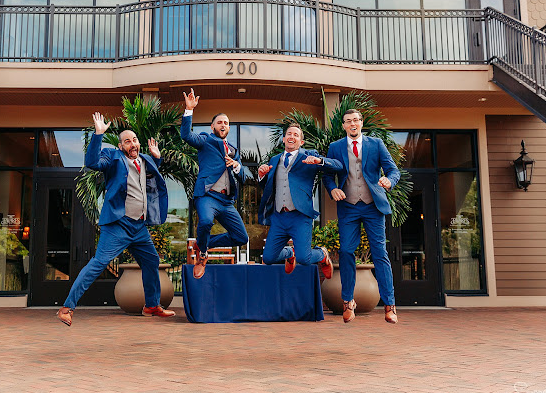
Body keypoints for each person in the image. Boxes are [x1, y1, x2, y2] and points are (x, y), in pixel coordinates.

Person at [56, 112, 175, 326]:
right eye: (127, 141)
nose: (132, 144)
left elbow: (154, 173)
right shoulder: (113, 158)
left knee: (151, 261)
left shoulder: (146, 160)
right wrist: (98, 134)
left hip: (139, 226)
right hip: (118, 225)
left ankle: (151, 305)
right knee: (98, 263)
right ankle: (67, 308)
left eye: (135, 140)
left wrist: (158, 158)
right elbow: (92, 162)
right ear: (121, 146)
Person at [322, 109, 401, 324]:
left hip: (372, 206)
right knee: (347, 250)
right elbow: (328, 175)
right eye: (348, 121)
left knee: (379, 252)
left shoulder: (376, 144)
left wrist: (389, 181)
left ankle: (389, 305)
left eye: (356, 120)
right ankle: (348, 301)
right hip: (348, 206)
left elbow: (394, 171)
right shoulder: (335, 147)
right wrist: (332, 189)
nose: (352, 124)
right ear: (344, 126)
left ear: (361, 123)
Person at [258, 122, 341, 280]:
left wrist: (320, 161)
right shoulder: (274, 160)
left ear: (301, 142)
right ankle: (289, 253)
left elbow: (338, 166)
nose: (292, 137)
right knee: (268, 258)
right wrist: (262, 175)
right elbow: (267, 185)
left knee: (304, 259)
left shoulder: (309, 156)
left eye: (296, 135)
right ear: (283, 139)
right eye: (289, 134)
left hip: (300, 216)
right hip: (279, 216)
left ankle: (322, 254)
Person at [181, 88, 249, 279]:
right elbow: (186, 136)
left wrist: (237, 166)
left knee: (241, 237)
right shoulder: (205, 141)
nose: (223, 124)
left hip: (227, 202)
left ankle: (203, 244)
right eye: (219, 122)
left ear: (228, 128)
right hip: (208, 196)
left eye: (226, 123)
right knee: (205, 221)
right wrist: (189, 110)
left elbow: (243, 177)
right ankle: (202, 256)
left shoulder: (234, 151)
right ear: (213, 127)